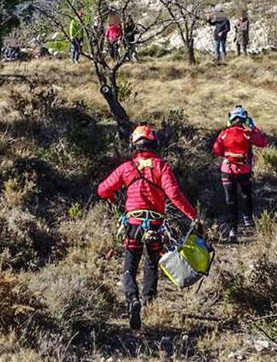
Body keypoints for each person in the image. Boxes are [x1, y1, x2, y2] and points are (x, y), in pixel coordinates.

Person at [97, 125, 199, 330]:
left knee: (129, 267)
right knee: (152, 264)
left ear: (134, 145)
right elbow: (175, 195)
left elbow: (102, 190)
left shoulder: (126, 168)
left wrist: (116, 201)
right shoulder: (161, 166)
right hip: (155, 225)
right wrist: (193, 216)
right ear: (154, 145)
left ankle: (131, 300)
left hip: (133, 224)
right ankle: (147, 302)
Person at [213, 106, 267, 243]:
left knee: (230, 201)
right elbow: (262, 142)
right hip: (243, 170)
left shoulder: (224, 133)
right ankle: (247, 220)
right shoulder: (247, 133)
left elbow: (217, 150)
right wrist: (253, 127)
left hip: (227, 171)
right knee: (245, 193)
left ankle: (232, 231)